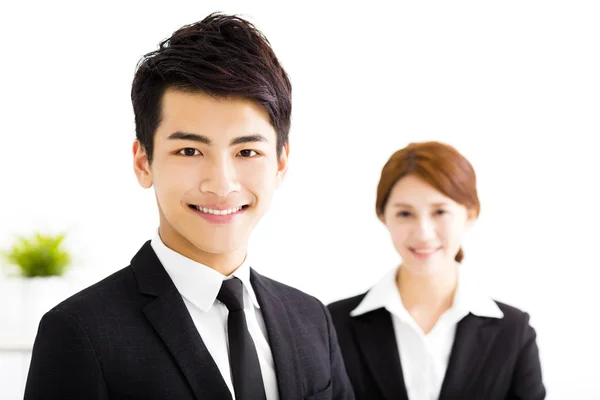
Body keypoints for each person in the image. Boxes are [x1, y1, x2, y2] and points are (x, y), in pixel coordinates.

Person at [24, 12, 354, 400]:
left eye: (247, 151)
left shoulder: (312, 319)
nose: (221, 183)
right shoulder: (80, 332)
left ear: (280, 163)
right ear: (143, 161)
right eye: (189, 150)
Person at [328, 141, 545, 400]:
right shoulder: (334, 324)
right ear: (383, 217)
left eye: (440, 211)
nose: (423, 233)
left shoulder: (513, 331)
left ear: (470, 214)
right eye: (405, 214)